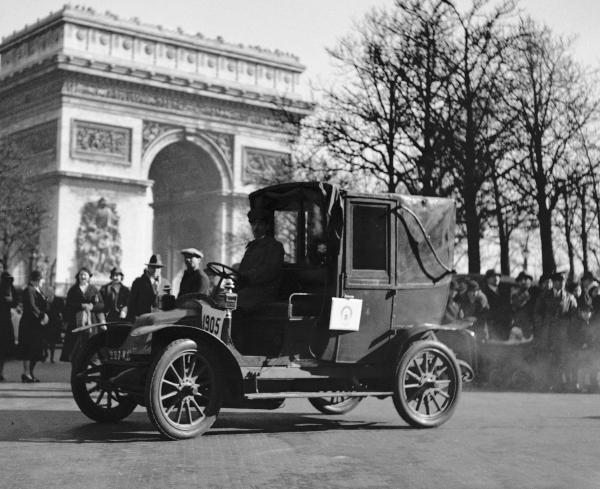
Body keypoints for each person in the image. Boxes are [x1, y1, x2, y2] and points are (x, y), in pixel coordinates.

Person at [535, 271, 578, 390]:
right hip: (547, 332)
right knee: (546, 358)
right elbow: (537, 313)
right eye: (558, 281)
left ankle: (560, 384)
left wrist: (568, 326)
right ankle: (545, 383)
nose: (561, 283)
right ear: (553, 283)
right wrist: (542, 326)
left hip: (563, 333)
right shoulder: (543, 296)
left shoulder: (570, 297)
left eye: (563, 281)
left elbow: (574, 315)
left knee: (561, 358)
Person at [236, 208, 285, 310]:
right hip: (251, 289)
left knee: (236, 300)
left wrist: (246, 277)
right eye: (253, 225)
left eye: (260, 224)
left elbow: (269, 272)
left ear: (267, 227)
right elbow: (243, 270)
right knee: (224, 296)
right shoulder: (251, 247)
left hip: (266, 291)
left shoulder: (275, 247)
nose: (256, 228)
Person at [60, 267, 104, 362]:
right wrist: (81, 305)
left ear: (89, 277)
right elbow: (68, 305)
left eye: (85, 275)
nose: (83, 276)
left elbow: (101, 305)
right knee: (75, 348)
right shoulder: (73, 289)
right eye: (81, 275)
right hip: (75, 322)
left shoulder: (93, 289)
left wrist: (92, 307)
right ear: (78, 277)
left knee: (90, 345)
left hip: (91, 322)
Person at [18, 270, 49, 382]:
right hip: (29, 323)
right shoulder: (29, 290)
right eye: (41, 279)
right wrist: (42, 315)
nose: (43, 281)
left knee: (35, 349)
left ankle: (30, 373)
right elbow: (32, 306)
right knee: (28, 348)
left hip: (37, 324)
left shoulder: (38, 290)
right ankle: (26, 373)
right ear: (35, 280)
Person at [127, 254, 164, 321]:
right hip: (142, 320)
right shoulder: (138, 282)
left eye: (158, 267)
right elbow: (131, 303)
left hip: (160, 322)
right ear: (148, 267)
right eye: (153, 267)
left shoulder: (165, 283)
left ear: (161, 269)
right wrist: (134, 318)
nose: (155, 270)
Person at [481, 269, 511, 340]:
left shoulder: (503, 291)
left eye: (498, 276)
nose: (496, 278)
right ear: (487, 279)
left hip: (504, 325)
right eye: (493, 276)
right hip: (491, 325)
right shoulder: (484, 292)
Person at [0, 270, 18, 381]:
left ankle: (1, 372)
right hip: (4, 321)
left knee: (3, 350)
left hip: (5, 321)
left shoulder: (11, 288)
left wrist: (11, 300)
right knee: (3, 349)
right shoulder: (6, 288)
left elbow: (15, 302)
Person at [511, 271, 535, 339]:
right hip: (521, 326)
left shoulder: (536, 293)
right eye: (521, 280)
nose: (523, 282)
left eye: (526, 279)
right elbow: (516, 306)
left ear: (530, 281)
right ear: (518, 282)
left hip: (535, 325)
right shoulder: (515, 295)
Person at [45, 296, 65, 363]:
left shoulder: (57, 301)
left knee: (51, 341)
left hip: (52, 324)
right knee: (49, 341)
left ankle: (49, 356)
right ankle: (48, 355)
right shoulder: (45, 299)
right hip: (50, 324)